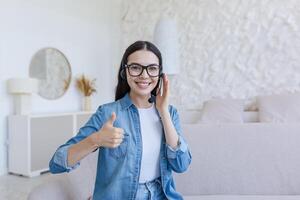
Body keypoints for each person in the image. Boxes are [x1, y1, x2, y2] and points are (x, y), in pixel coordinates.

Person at [49, 40, 192, 200]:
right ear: (125, 71)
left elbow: (181, 164)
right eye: (136, 67)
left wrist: (163, 111)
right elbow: (56, 163)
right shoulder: (107, 113)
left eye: (152, 68)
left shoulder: (170, 113)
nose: (144, 75)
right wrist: (95, 140)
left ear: (160, 74)